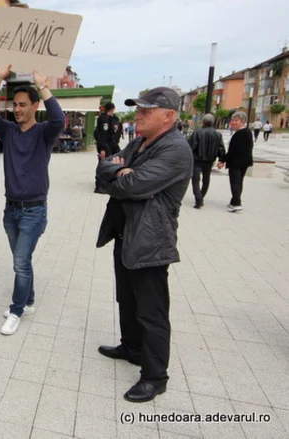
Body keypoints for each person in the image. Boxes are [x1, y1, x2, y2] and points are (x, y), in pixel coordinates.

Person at [96, 87, 193, 403]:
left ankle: (154, 377)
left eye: (145, 110)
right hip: (126, 235)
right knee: (126, 298)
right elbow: (104, 170)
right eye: (137, 109)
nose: (137, 115)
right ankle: (132, 348)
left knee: (152, 311)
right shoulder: (138, 142)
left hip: (150, 241)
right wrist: (120, 170)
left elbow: (131, 184)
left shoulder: (176, 149)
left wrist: (124, 174)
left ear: (168, 116)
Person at [0, 64, 65, 336]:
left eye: (22, 105)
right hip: (11, 210)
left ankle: (16, 310)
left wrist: (43, 85)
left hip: (33, 211)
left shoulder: (44, 133)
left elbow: (58, 121)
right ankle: (27, 300)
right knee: (23, 260)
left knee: (20, 262)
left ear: (34, 105)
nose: (17, 109)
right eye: (14, 104)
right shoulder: (8, 131)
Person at [188, 113, 225, 208]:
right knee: (206, 179)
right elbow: (221, 148)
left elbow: (191, 146)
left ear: (203, 122)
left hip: (197, 160)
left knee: (195, 179)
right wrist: (221, 159)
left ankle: (199, 198)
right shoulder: (217, 134)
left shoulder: (197, 132)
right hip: (209, 160)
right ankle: (201, 197)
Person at [224, 111, 254, 212]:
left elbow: (232, 151)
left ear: (242, 121)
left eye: (236, 120)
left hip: (236, 163)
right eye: (233, 120)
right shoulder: (247, 132)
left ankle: (236, 203)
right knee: (239, 182)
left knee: (235, 183)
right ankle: (234, 201)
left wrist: (222, 160)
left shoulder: (240, 134)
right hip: (243, 162)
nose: (233, 122)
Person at [94, 102, 116, 193]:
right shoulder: (104, 119)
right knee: (103, 164)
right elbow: (103, 134)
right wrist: (102, 149)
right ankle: (100, 186)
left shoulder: (108, 118)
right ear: (112, 109)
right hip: (104, 145)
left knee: (106, 163)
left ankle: (105, 183)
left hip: (108, 145)